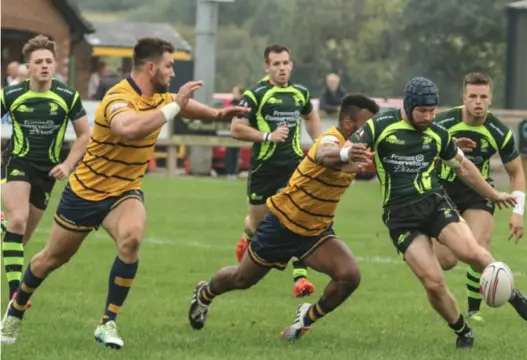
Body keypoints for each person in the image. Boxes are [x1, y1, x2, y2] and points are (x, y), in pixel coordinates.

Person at [0, 36, 249, 348]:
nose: (172, 73)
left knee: (131, 238)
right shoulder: (118, 97)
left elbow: (179, 104)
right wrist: (175, 105)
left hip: (124, 192)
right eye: (168, 66)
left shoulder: (159, 97)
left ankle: (108, 322)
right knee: (51, 258)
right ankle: (15, 309)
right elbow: (128, 127)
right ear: (150, 68)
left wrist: (216, 115)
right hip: (86, 191)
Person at [347, 77, 527, 349]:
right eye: (422, 111)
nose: (428, 117)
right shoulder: (380, 126)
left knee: (473, 250)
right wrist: (344, 156)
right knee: (434, 280)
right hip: (401, 218)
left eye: (431, 111)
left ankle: (511, 292)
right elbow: (344, 149)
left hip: (436, 203)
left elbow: (464, 168)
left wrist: (494, 195)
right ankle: (463, 329)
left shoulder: (439, 131)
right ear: (409, 106)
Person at [188, 94, 379, 340]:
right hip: (282, 224)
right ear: (350, 124)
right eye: (368, 124)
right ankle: (204, 293)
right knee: (242, 278)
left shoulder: (363, 147)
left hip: (315, 231)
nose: (372, 131)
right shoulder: (332, 139)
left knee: (349, 275)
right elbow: (324, 154)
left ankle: (306, 317)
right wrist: (345, 155)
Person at [1, 35, 91, 306]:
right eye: (38, 62)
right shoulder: (12, 94)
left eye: (48, 61)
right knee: (18, 220)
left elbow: (85, 135)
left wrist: (66, 164)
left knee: (21, 236)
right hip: (16, 162)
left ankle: (2, 223)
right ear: (28, 67)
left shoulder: (67, 97)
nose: (44, 66)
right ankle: (15, 293)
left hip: (47, 172)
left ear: (55, 66)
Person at [432, 72, 527, 323]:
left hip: (478, 192)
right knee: (447, 261)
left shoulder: (498, 131)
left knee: (478, 247)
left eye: (483, 96)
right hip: (443, 191)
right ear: (463, 97)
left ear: (490, 99)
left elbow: (516, 172)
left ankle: (474, 310)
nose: (478, 101)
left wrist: (518, 213)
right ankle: (424, 238)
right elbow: (421, 151)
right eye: (472, 96)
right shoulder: (442, 122)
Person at [231, 44, 322, 298]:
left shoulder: (300, 93)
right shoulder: (256, 94)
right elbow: (236, 128)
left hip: (293, 166)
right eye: (276, 64)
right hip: (263, 169)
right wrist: (267, 135)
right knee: (257, 224)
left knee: (293, 218)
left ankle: (300, 277)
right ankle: (246, 235)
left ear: (291, 65)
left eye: (285, 63)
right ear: (267, 67)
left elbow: (311, 117)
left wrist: (320, 142)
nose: (282, 68)